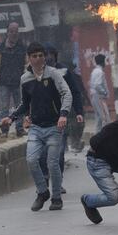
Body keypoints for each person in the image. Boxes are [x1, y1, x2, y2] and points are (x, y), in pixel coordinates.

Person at [0, 42, 72, 211]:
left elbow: (66, 93)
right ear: (29, 58)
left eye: (41, 55)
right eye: (35, 56)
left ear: (44, 57)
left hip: (55, 126)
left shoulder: (53, 74)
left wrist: (63, 114)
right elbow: (25, 103)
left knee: (53, 163)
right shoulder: (25, 79)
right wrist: (11, 118)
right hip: (36, 127)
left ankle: (56, 198)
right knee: (31, 160)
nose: (39, 59)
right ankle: (42, 192)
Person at [39, 45, 84, 194]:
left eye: (51, 55)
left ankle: (58, 183)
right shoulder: (37, 73)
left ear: (55, 57)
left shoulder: (64, 72)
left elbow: (75, 92)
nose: (48, 58)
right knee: (43, 153)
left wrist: (78, 111)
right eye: (46, 55)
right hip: (43, 120)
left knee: (58, 154)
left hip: (61, 118)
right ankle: (45, 180)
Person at [0, 22, 27, 137]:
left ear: (18, 33)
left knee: (20, 106)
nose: (13, 33)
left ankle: (19, 129)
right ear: (7, 32)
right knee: (3, 108)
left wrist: (26, 79)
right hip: (3, 82)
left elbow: (27, 64)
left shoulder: (23, 47)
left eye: (15, 31)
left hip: (19, 82)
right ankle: (4, 130)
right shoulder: (0, 47)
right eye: (11, 31)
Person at [89, 54, 111, 132]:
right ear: (102, 62)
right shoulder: (99, 72)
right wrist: (104, 92)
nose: (106, 63)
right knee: (105, 117)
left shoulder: (95, 71)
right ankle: (105, 137)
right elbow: (97, 85)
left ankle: (97, 138)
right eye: (105, 61)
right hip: (99, 97)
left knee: (99, 118)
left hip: (95, 97)